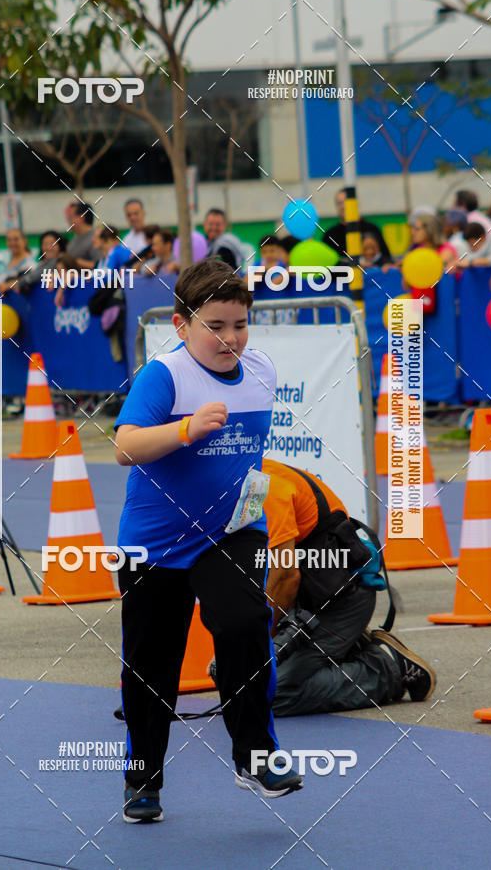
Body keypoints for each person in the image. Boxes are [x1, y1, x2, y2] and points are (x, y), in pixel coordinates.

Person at [114, 258, 302, 823]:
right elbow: (123, 447)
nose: (230, 339)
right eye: (215, 326)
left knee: (245, 625)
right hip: (156, 541)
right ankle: (143, 778)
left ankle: (258, 757)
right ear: (181, 324)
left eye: (240, 324)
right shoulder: (164, 376)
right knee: (152, 663)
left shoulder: (262, 369)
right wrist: (186, 430)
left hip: (233, 532)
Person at [259, 459, 436, 716]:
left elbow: (285, 576)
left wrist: (257, 641)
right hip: (308, 602)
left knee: (269, 694)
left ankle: (387, 669)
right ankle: (351, 649)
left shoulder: (267, 488)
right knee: (236, 681)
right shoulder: (236, 483)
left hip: (340, 604)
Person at [322, 189, 391, 263]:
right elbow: (326, 264)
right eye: (340, 203)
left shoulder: (372, 229)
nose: (343, 206)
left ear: (356, 203)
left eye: (346, 202)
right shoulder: (330, 235)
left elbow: (386, 258)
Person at [67, 203, 101, 269]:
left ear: (81, 218)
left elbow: (100, 265)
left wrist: (73, 261)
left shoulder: (96, 238)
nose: (69, 221)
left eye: (71, 217)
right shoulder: (74, 239)